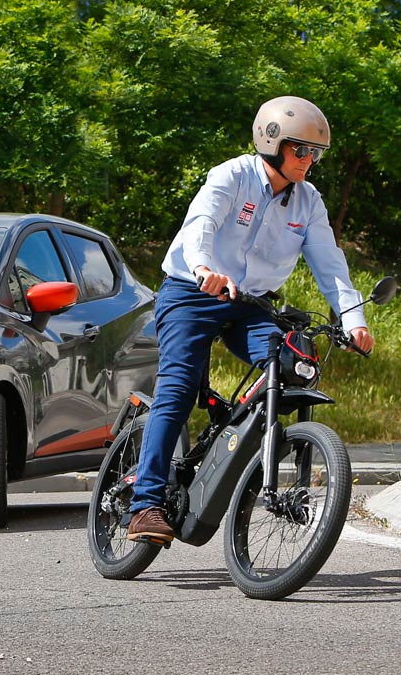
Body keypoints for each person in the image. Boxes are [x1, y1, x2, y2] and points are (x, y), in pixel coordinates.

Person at [127, 95, 376, 545]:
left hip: (251, 303)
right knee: (179, 387)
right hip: (192, 291)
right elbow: (201, 222)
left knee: (293, 361)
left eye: (316, 154)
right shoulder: (232, 176)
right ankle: (144, 504)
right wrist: (204, 268)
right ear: (271, 142)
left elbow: (330, 264)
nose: (309, 161)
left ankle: (237, 453)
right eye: (301, 150)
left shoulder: (309, 202)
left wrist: (353, 320)